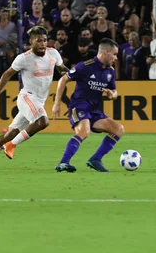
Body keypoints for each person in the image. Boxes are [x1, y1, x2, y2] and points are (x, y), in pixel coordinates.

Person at [0, 26, 69, 170]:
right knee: (42, 121)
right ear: (31, 41)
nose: (43, 43)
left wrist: (78, 74)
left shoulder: (53, 54)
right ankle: (11, 145)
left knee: (10, 134)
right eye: (39, 41)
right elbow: (7, 74)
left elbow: (62, 70)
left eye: (45, 40)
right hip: (27, 97)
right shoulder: (24, 58)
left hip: (38, 101)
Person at [52, 39, 123, 172]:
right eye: (114, 54)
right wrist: (57, 103)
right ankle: (63, 163)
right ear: (105, 52)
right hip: (78, 106)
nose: (116, 58)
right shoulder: (85, 66)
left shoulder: (110, 72)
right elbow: (63, 79)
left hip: (94, 110)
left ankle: (95, 159)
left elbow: (114, 91)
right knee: (84, 131)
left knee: (118, 129)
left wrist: (112, 95)